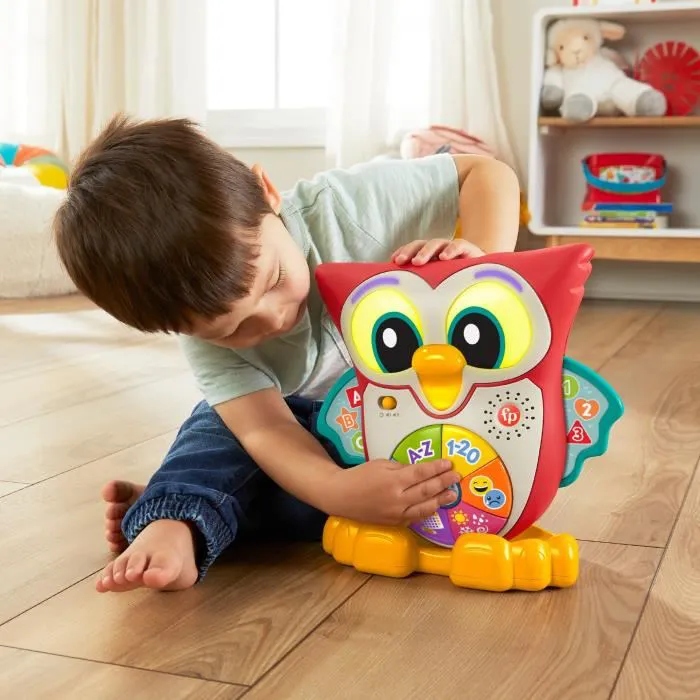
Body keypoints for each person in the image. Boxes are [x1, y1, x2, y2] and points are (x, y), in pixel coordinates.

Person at [54, 114, 521, 593]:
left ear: (267, 194)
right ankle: (179, 515)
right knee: (221, 430)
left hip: (423, 408)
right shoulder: (203, 341)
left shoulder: (348, 206)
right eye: (234, 330)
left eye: (274, 279)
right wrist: (339, 491)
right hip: (312, 431)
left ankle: (199, 500)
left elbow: (486, 173)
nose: (274, 318)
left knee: (320, 489)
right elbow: (267, 431)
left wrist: (482, 262)